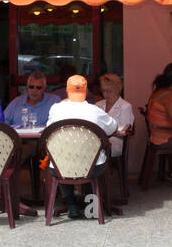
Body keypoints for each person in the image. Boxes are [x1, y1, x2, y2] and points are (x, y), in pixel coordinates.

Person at [44, 75, 119, 220]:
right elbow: (113, 128)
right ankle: (91, 208)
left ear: (67, 90)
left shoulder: (56, 109)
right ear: (86, 91)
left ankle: (72, 205)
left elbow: (49, 130)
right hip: (92, 167)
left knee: (64, 162)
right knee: (93, 164)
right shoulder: (95, 110)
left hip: (61, 166)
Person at [93, 73, 134, 158]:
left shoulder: (125, 106)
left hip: (115, 144)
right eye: (103, 91)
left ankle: (99, 171)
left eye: (108, 91)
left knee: (93, 152)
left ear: (117, 89)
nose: (105, 94)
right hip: (97, 142)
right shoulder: (98, 105)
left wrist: (104, 131)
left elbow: (124, 131)